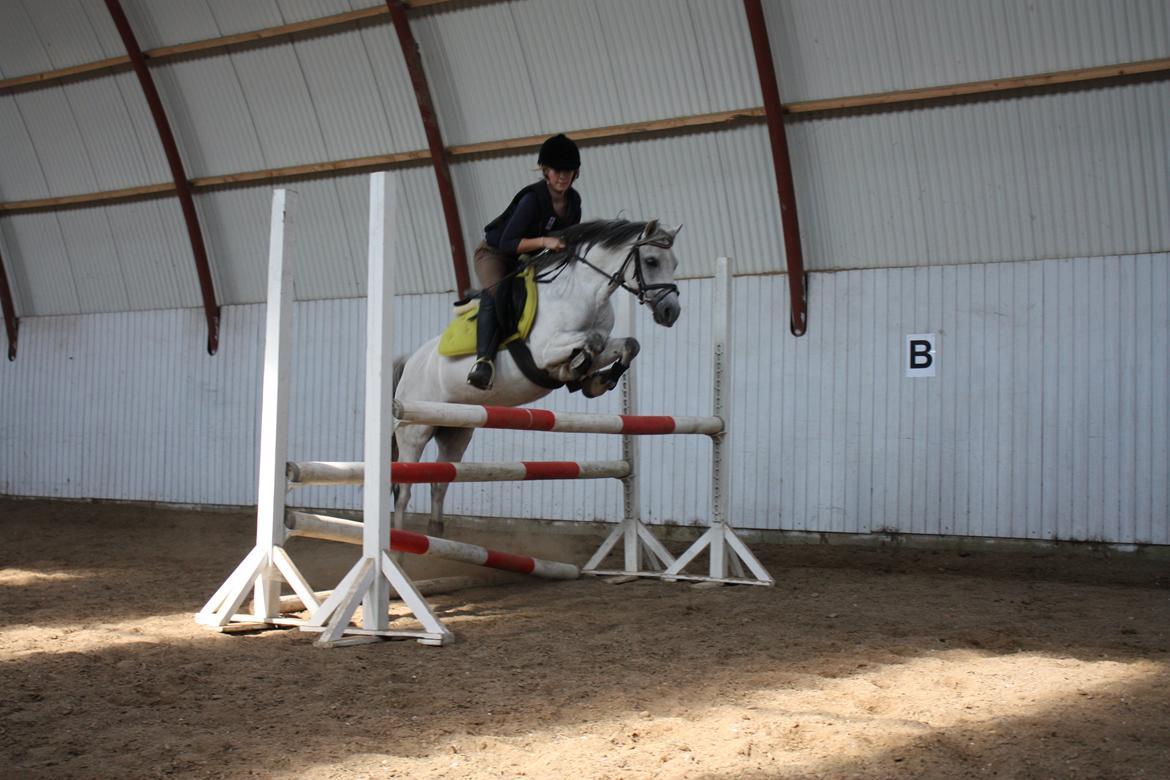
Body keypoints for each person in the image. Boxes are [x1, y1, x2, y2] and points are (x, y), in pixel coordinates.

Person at [466, 133, 582, 390]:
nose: (563, 176)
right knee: (498, 292)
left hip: (528, 259)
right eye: (557, 170)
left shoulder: (574, 202)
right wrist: (544, 241)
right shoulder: (532, 199)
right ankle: (483, 362)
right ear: (545, 170)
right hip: (494, 254)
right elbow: (508, 242)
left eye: (569, 171)